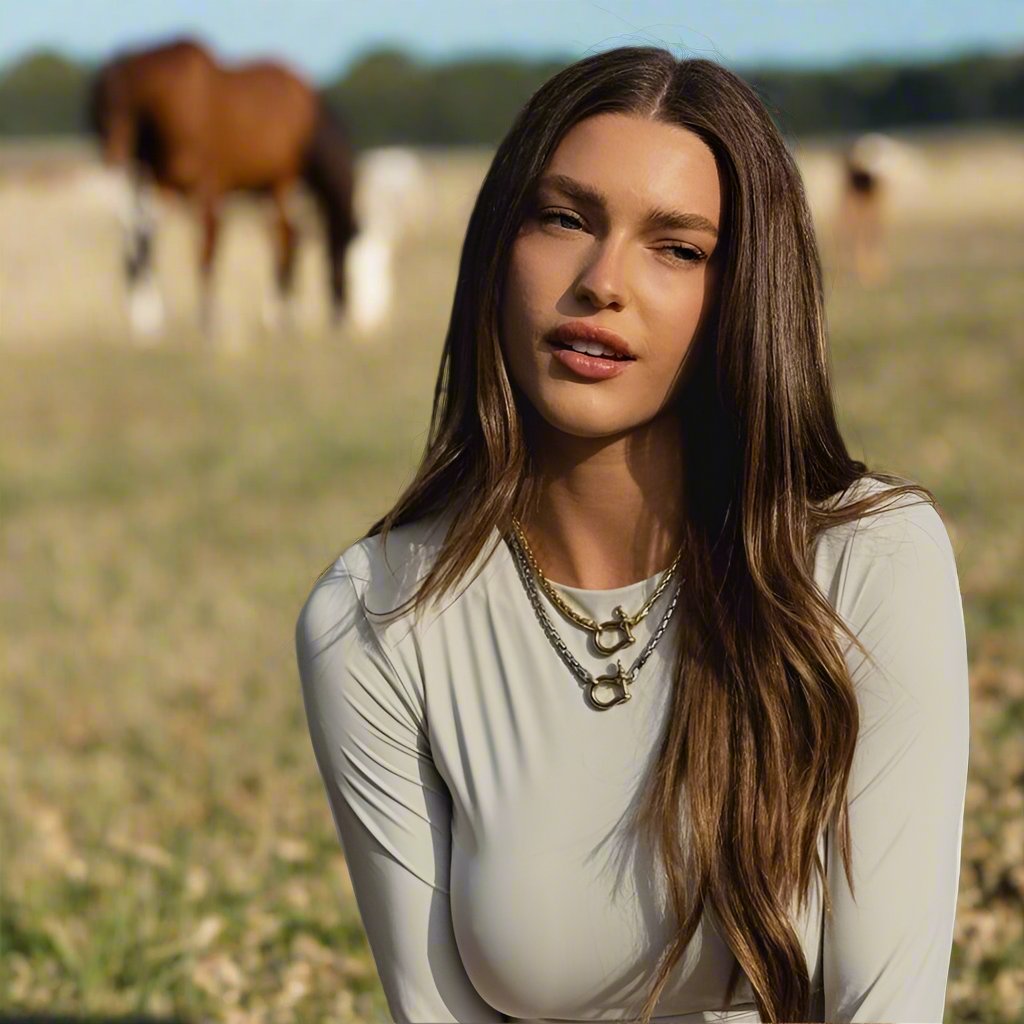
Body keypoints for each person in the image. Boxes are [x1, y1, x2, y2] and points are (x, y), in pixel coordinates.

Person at [295, 48, 969, 1024]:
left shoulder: (869, 561)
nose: (601, 282)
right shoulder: (374, 614)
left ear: (745, 291)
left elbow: (888, 1004)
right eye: (563, 219)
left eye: (678, 248)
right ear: (497, 246)